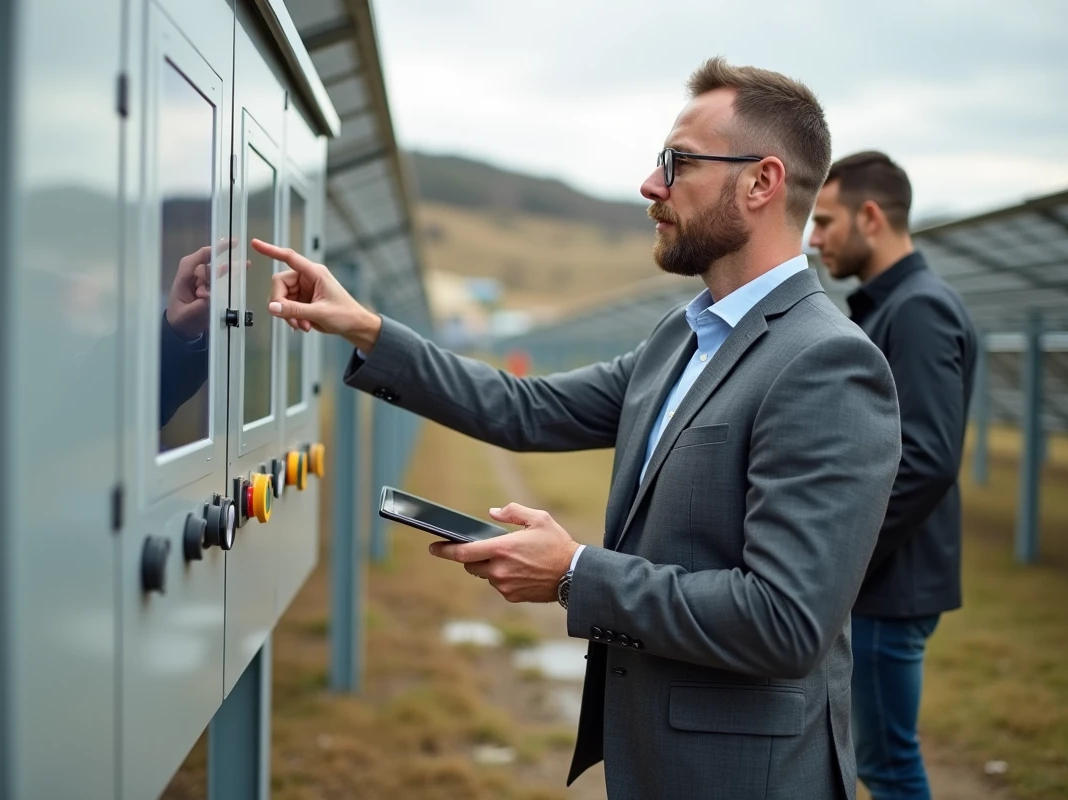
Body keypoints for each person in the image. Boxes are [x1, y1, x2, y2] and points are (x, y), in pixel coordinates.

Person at [254, 57, 902, 800]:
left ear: (761, 182)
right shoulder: (681, 338)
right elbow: (526, 410)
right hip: (658, 759)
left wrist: (573, 573)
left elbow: (783, 621)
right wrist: (367, 329)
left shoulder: (826, 364)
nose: (651, 185)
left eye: (677, 162)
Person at [810, 151, 977, 800]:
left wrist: (846, 556)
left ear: (871, 216)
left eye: (825, 221)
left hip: (888, 584)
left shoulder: (917, 309)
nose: (814, 236)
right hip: (884, 580)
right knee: (872, 760)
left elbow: (926, 459)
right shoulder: (887, 307)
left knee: (887, 767)